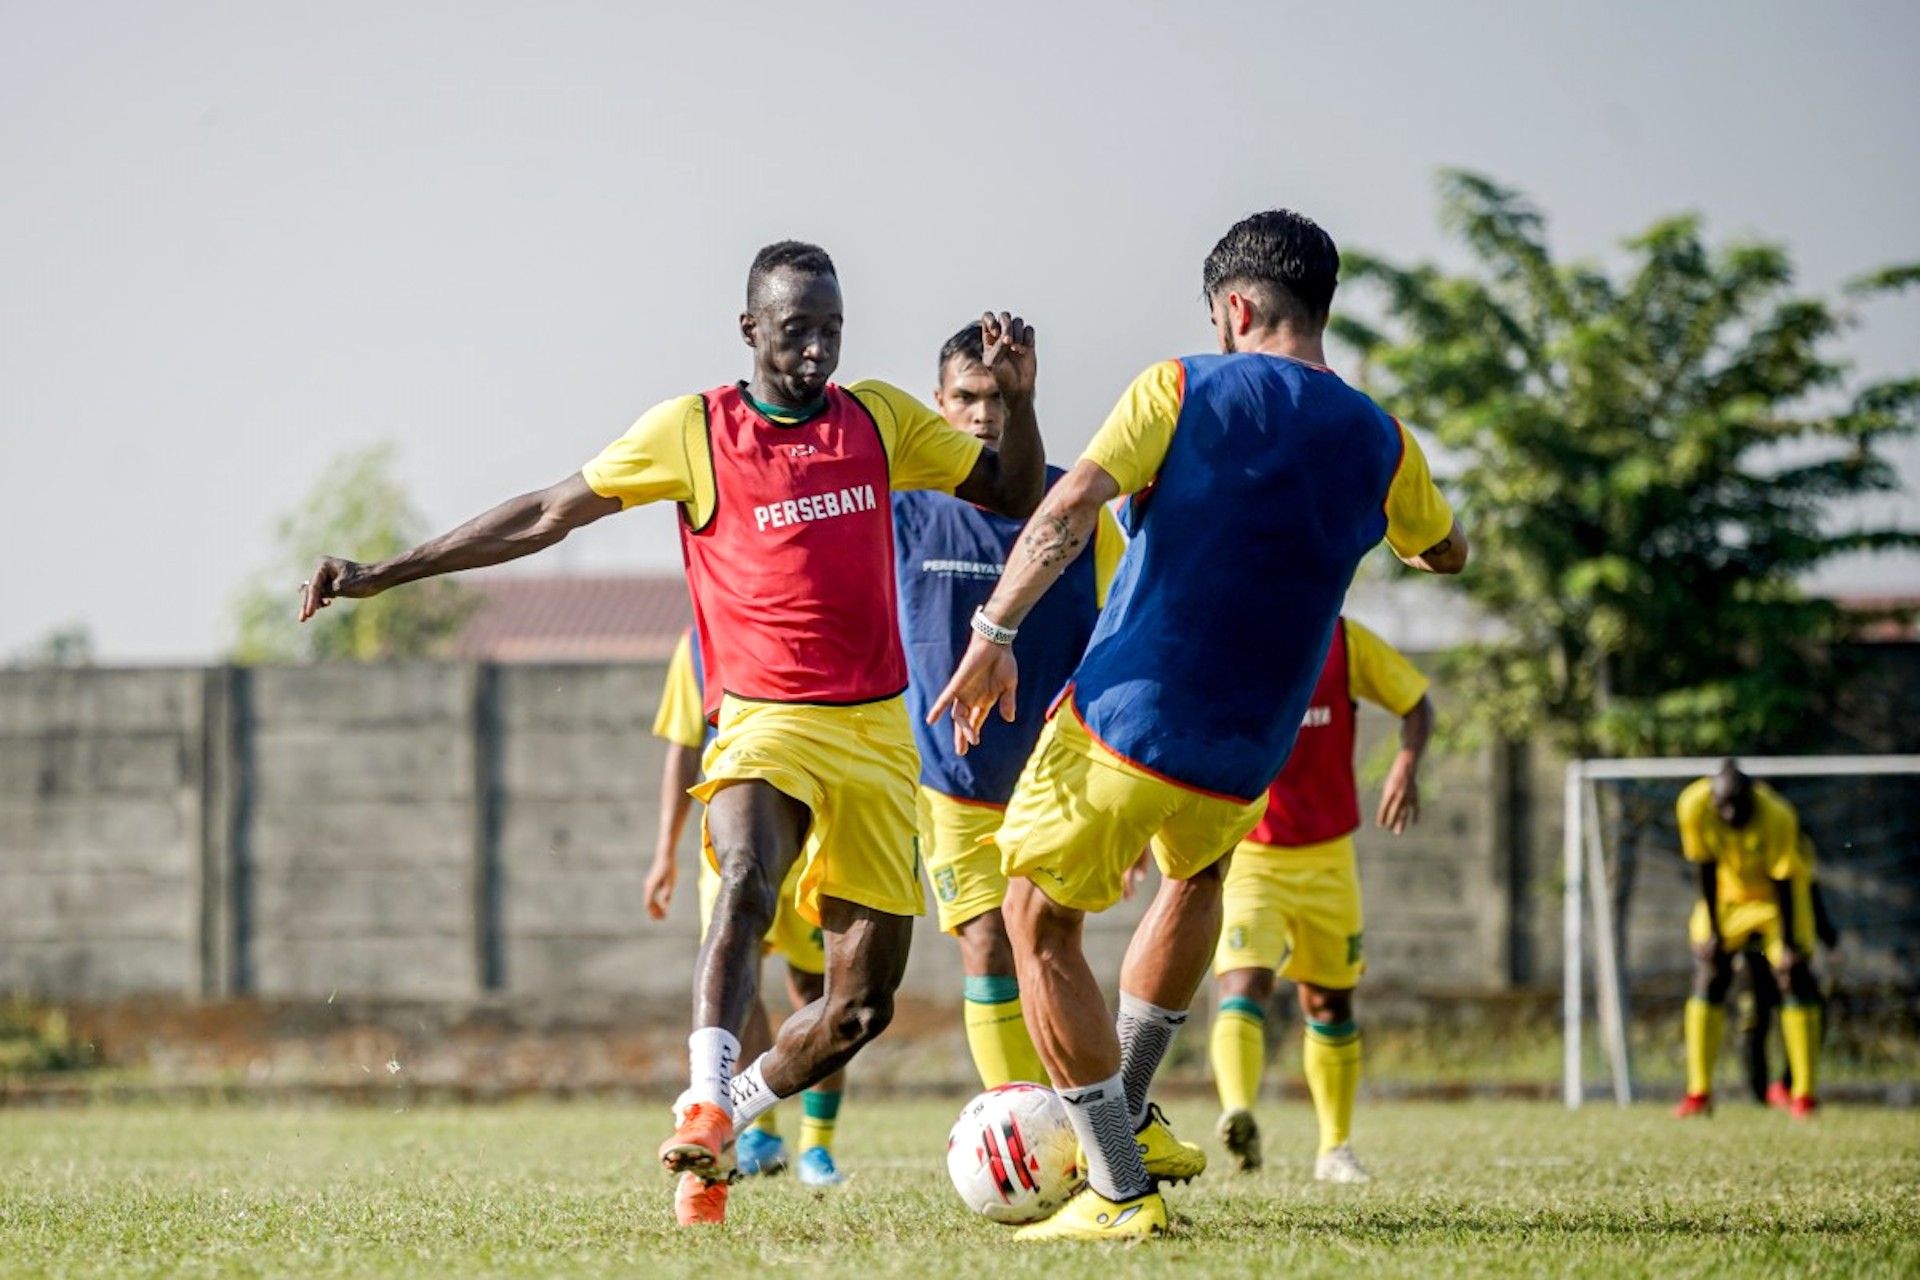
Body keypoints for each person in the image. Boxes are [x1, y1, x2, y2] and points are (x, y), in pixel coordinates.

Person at [298, 241, 1044, 1225]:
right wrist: (382, 571)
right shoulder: (694, 430)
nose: (816, 348)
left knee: (861, 1008)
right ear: (750, 330)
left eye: (831, 328)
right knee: (745, 875)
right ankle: (703, 1087)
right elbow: (544, 513)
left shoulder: (877, 419)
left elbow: (1012, 492)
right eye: (795, 329)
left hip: (872, 728)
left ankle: (725, 1117)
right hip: (763, 718)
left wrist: (1020, 398)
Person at [929, 209, 1468, 1240]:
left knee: (1036, 918)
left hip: (1129, 715)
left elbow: (1068, 506)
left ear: (1235, 307)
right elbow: (1443, 553)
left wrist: (994, 628)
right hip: (1245, 750)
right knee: (1197, 879)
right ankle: (1130, 1112)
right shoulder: (1382, 440)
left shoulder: (1180, 385)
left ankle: (1119, 1184)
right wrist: (1409, 536)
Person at [894, 323, 1127, 1091]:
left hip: (1056, 773)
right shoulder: (903, 514)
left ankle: (1080, 1113)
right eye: (967, 396)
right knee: (985, 943)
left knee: (1048, 945)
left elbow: (1120, 637)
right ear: (938, 405)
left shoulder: (1076, 510)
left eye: (999, 396)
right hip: (951, 778)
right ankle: (1017, 1121)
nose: (984, 413)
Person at [1209, 615, 1433, 1183]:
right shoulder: (1232, 638)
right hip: (1252, 851)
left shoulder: (1344, 640)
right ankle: (1238, 1111)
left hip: (1329, 855)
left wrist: (1406, 764)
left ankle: (1335, 1148)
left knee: (1330, 1003)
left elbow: (1416, 702)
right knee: (1244, 981)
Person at [644, 626, 849, 1187]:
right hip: (732, 842)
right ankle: (760, 1131)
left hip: (807, 837)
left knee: (821, 991)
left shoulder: (802, 619)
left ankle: (818, 1145)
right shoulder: (693, 646)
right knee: (742, 979)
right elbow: (684, 750)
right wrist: (665, 852)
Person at [1674, 761, 1822, 1120]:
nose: (1730, 813)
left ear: (1753, 795)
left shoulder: (1778, 815)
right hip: (1727, 899)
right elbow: (1704, 867)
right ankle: (1698, 1093)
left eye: (1739, 804)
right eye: (1722, 805)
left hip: (1775, 903)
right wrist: (1713, 930)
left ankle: (1802, 1094)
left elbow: (1784, 880)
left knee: (1793, 977)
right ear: (1712, 797)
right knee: (1710, 973)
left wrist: (1786, 945)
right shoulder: (1693, 804)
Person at [1734, 843, 1838, 1108]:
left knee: (1812, 1011)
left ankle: (1787, 1085)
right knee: (1755, 1016)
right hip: (1751, 945)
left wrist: (1828, 937)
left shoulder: (1800, 846)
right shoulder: (1748, 844)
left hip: (1788, 947)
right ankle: (1757, 1093)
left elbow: (1807, 891)